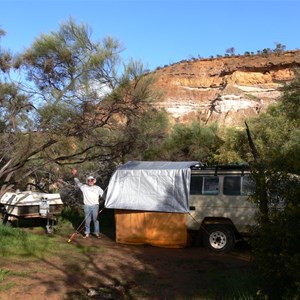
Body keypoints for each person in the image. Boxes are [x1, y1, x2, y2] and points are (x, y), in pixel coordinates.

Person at [71, 168, 104, 238]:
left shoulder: (97, 188)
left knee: (95, 220)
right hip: (87, 206)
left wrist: (108, 200)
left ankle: (97, 233)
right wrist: (74, 175)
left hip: (95, 206)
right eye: (89, 180)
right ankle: (87, 233)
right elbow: (77, 182)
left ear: (94, 181)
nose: (90, 181)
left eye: (92, 180)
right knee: (87, 221)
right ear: (87, 181)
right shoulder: (84, 187)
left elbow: (104, 195)